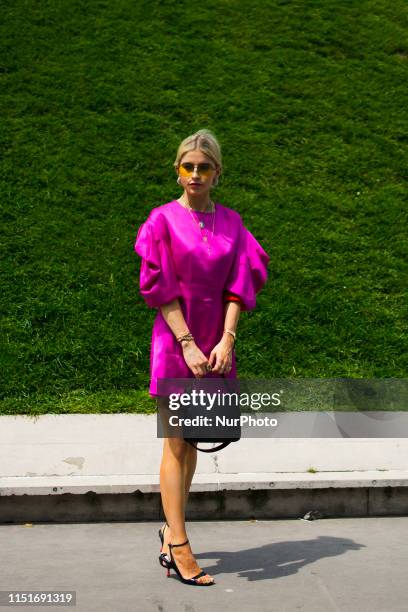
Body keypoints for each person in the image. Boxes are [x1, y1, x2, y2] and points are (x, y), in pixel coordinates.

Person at [134, 129, 269, 586]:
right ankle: (178, 542)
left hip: (217, 346)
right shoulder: (161, 221)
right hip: (177, 341)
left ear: (217, 174)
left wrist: (227, 339)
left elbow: (240, 283)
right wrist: (188, 342)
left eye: (204, 167)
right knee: (176, 441)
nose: (195, 174)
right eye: (187, 166)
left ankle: (172, 532)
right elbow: (160, 289)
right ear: (177, 170)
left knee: (193, 441)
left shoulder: (232, 222)